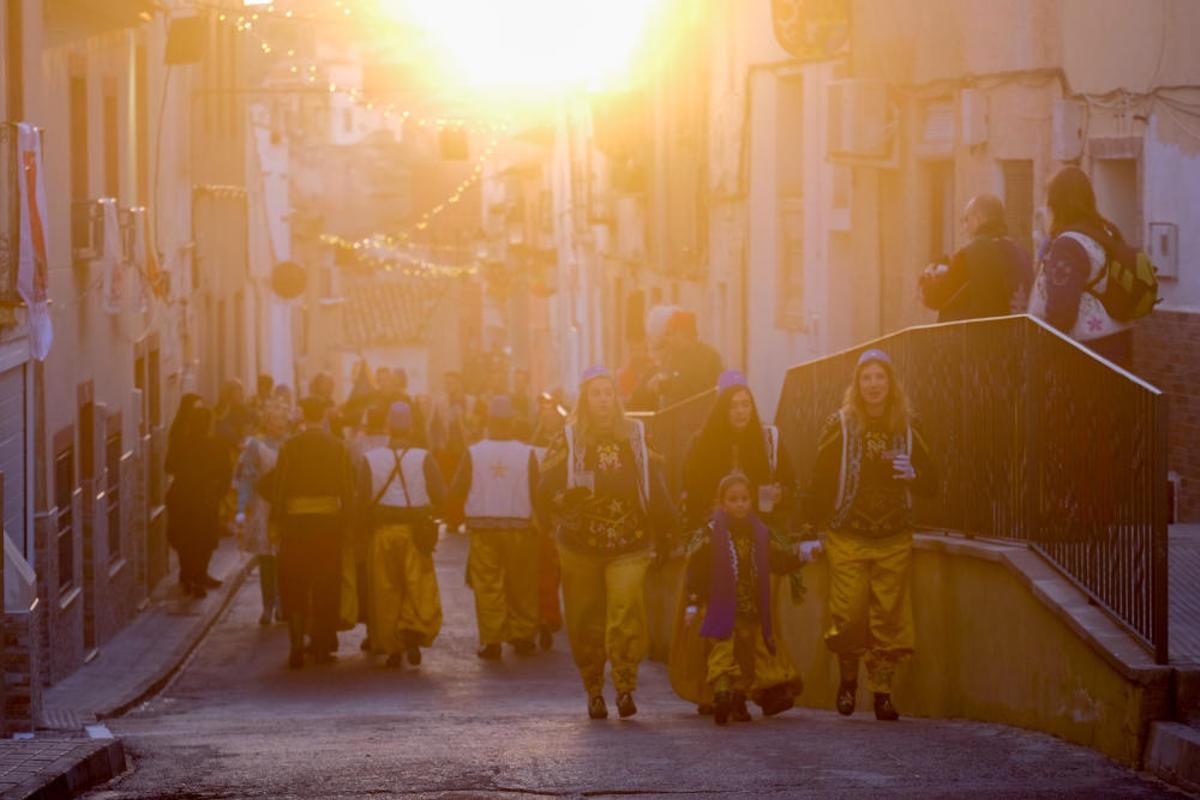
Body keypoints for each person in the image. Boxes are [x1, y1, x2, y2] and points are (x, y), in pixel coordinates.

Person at [801, 349, 937, 721]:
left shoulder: (908, 425)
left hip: (894, 536)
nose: (874, 384)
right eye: (866, 378)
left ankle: (882, 693)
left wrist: (914, 475)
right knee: (847, 614)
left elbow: (933, 482)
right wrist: (808, 528)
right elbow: (820, 480)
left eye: (880, 377)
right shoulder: (841, 425)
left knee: (890, 618)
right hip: (848, 534)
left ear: (891, 383)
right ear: (857, 384)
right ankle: (848, 682)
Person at [536, 366, 675, 720]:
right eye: (595, 393)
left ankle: (625, 685)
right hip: (579, 547)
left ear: (617, 398)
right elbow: (544, 488)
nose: (602, 400)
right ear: (585, 399)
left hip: (630, 543)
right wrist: (563, 500)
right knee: (586, 620)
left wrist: (668, 530)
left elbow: (658, 484)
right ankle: (594, 689)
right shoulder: (568, 439)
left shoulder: (637, 435)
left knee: (625, 612)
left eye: (608, 393)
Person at [672, 472, 815, 725]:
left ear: (751, 500)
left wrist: (801, 555)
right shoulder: (710, 534)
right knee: (722, 651)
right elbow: (697, 572)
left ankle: (737, 698)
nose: (740, 504)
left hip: (750, 610)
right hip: (719, 608)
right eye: (733, 499)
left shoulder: (759, 533)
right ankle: (721, 694)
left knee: (747, 660)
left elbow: (777, 562)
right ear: (721, 502)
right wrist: (693, 604)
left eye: (745, 498)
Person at [271, 396, 356, 668]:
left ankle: (296, 645)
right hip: (328, 525)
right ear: (324, 415)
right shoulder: (338, 446)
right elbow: (346, 488)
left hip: (295, 526)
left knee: (295, 583)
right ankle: (321, 646)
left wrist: (276, 523)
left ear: (303, 416)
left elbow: (279, 488)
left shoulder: (290, 446)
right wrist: (348, 524)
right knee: (326, 585)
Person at [452, 396, 540, 660]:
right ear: (512, 422)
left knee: (487, 585)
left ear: (488, 422)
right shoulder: (527, 453)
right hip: (519, 528)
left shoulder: (474, 452)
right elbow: (538, 492)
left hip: (484, 529)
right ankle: (523, 636)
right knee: (521, 583)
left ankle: (492, 640)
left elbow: (457, 489)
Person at [1027, 166, 1136, 369]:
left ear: (1056, 204)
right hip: (1118, 340)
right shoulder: (1108, 232)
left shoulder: (1068, 244)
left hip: (1084, 351)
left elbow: (1061, 312)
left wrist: (1044, 354)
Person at [363, 401, 446, 667]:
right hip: (415, 534)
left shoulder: (371, 459)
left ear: (388, 426)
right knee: (417, 588)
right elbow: (440, 496)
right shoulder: (424, 458)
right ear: (411, 427)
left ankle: (393, 649)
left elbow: (362, 500)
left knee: (386, 590)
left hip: (383, 533)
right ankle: (412, 637)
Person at [681, 370, 797, 533]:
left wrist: (780, 494)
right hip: (715, 531)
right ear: (721, 409)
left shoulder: (769, 440)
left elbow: (791, 486)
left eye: (746, 404)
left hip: (762, 528)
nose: (740, 411)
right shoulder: (702, 443)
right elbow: (691, 494)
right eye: (733, 406)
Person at [919, 193, 1033, 322]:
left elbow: (937, 297)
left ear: (978, 219)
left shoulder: (971, 254)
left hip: (983, 333)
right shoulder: (1022, 253)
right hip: (1017, 332)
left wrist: (926, 278)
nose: (963, 228)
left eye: (966, 219)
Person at [167, 406, 232, 598]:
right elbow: (226, 474)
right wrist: (218, 494)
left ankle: (188, 576)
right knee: (204, 541)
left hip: (183, 499)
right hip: (205, 500)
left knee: (185, 540)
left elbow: (169, 466)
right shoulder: (217, 445)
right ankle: (198, 578)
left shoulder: (181, 444)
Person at [234, 402, 289, 624]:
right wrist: (241, 507)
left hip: (285, 506)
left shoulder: (291, 444)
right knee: (267, 559)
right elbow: (247, 476)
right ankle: (268, 605)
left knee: (286, 558)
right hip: (263, 506)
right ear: (267, 422)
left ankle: (283, 604)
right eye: (275, 420)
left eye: (283, 420)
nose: (280, 424)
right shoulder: (256, 445)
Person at [654, 311, 723, 407]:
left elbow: (719, 390)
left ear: (685, 332)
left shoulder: (710, 356)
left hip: (701, 411)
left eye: (670, 333)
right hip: (673, 412)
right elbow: (664, 387)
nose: (668, 338)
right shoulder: (668, 355)